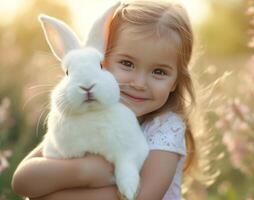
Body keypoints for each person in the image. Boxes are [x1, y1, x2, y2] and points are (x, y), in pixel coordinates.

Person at [11, 0, 197, 199]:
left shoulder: (166, 127)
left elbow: (144, 196)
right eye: (127, 63)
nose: (139, 83)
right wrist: (85, 172)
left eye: (159, 71)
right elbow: (23, 180)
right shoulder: (87, 112)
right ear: (103, 61)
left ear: (176, 81)